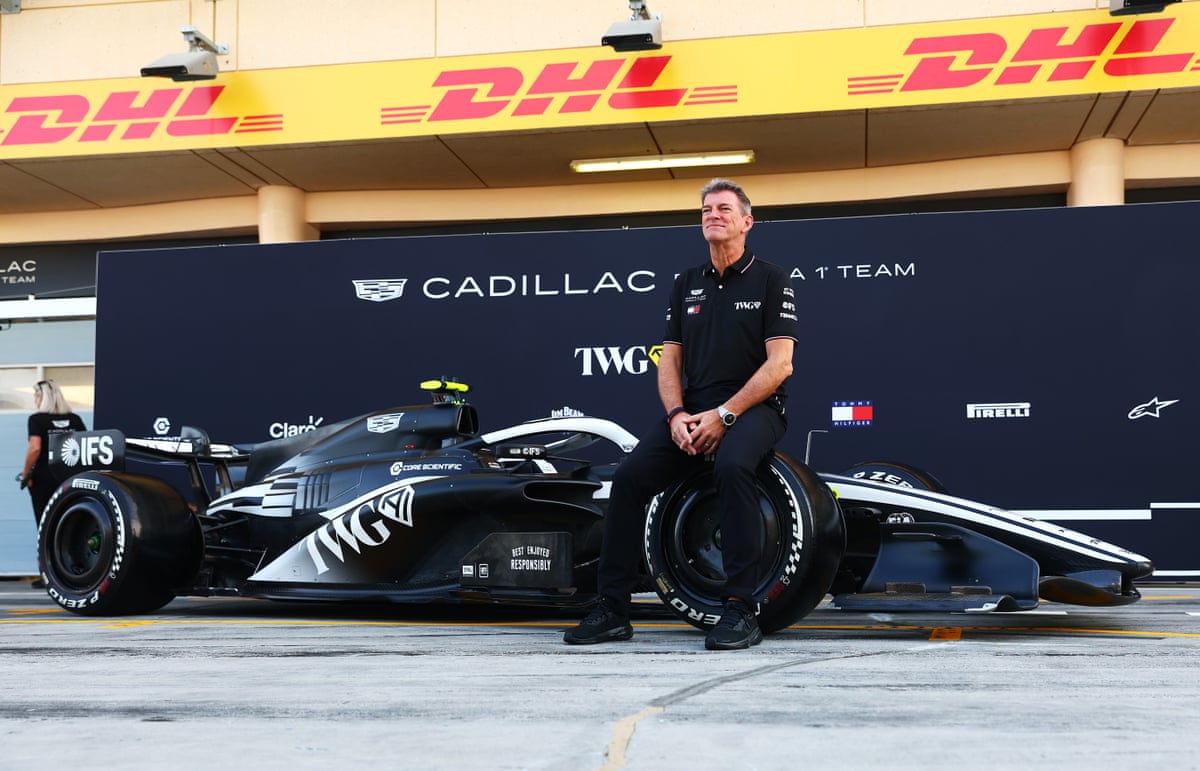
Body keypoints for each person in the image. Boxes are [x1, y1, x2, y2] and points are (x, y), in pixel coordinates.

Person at [564, 179, 799, 650]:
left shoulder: (773, 279)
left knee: (733, 466)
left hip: (755, 410)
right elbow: (669, 360)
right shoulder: (686, 282)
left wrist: (725, 416)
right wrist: (676, 416)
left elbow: (781, 365)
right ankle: (612, 609)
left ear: (747, 222)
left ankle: (740, 609)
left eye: (725, 209)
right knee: (630, 477)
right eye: (707, 209)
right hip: (691, 412)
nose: (714, 214)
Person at [19, 380, 87, 527]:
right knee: (70, 522)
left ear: (42, 397)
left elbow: (35, 448)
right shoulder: (74, 419)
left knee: (46, 524)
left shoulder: (37, 420)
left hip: (44, 479)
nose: (35, 400)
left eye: (36, 396)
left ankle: (47, 550)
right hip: (70, 478)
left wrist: (25, 475)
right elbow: (85, 446)